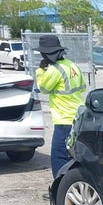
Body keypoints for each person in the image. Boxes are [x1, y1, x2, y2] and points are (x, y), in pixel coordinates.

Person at [35, 34, 86, 178]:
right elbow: (82, 87)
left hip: (64, 120)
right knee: (74, 156)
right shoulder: (72, 65)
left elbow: (43, 88)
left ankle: (60, 189)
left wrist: (40, 71)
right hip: (78, 116)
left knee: (59, 157)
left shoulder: (54, 70)